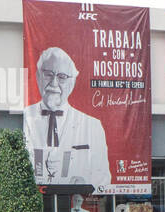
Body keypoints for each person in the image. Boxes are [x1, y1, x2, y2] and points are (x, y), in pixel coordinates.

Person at [22, 46, 111, 189]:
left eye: (62, 77)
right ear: (38, 77)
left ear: (72, 83)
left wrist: (84, 184)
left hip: (70, 203)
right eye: (48, 74)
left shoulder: (92, 125)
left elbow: (104, 178)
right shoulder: (24, 118)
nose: (54, 83)